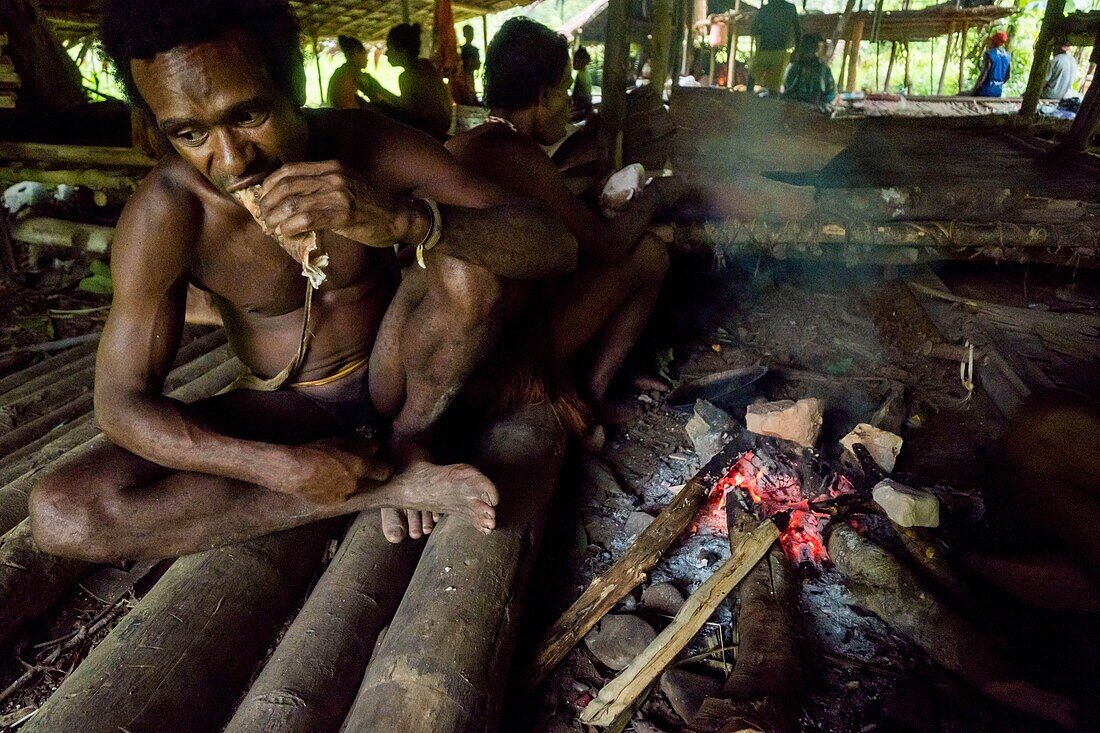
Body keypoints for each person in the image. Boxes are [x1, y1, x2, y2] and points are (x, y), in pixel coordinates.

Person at [27, 0, 578, 559]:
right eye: (191, 134)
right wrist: (274, 466)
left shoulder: (371, 146)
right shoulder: (167, 215)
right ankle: (387, 486)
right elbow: (121, 402)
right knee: (64, 513)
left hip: (405, 375)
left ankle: (413, 443)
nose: (233, 160)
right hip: (292, 406)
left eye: (248, 116)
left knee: (463, 256)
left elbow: (554, 246)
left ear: (292, 86)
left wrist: (403, 219)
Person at [447, 18, 677, 448]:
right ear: (542, 95)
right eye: (566, 89)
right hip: (499, 363)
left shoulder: (461, 145)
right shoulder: (518, 154)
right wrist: (657, 196)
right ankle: (591, 394)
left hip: (451, 359)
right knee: (648, 253)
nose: (572, 102)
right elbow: (607, 248)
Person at [361, 23, 452, 139]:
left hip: (430, 131)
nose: (387, 53)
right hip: (443, 125)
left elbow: (407, 112)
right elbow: (410, 105)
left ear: (402, 51)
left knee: (376, 110)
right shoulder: (426, 65)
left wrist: (378, 95)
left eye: (390, 48)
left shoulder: (408, 76)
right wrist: (380, 90)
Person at [749, 0, 800, 94]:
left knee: (752, 77)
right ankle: (771, 105)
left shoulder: (765, 9)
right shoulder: (790, 8)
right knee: (774, 87)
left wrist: (764, 32)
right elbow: (798, 32)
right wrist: (796, 50)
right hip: (780, 52)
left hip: (764, 50)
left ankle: (746, 99)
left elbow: (753, 29)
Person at [781, 33, 836, 105]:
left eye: (807, 48)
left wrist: (798, 97)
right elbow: (793, 88)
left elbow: (816, 96)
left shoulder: (819, 68)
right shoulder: (799, 66)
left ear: (814, 49)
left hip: (821, 102)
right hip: (804, 100)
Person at [326, 35, 370, 109]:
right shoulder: (353, 71)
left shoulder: (341, 71)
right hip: (347, 114)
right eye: (364, 54)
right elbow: (374, 91)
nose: (367, 59)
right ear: (355, 53)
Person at [970, 31, 1011, 98]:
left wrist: (973, 90)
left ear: (993, 42)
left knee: (962, 94)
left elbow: (983, 76)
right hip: (998, 91)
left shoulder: (989, 54)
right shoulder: (1007, 56)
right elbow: (1008, 76)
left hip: (985, 91)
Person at [452, 24, 480, 106]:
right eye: (469, 33)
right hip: (462, 80)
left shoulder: (473, 50)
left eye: (472, 33)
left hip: (469, 79)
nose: (471, 35)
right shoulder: (461, 50)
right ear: (464, 34)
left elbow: (477, 66)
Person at [570, 46, 594, 121]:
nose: (573, 63)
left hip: (582, 108)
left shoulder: (580, 76)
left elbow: (576, 95)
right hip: (587, 107)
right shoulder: (586, 73)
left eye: (575, 61)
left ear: (582, 61)